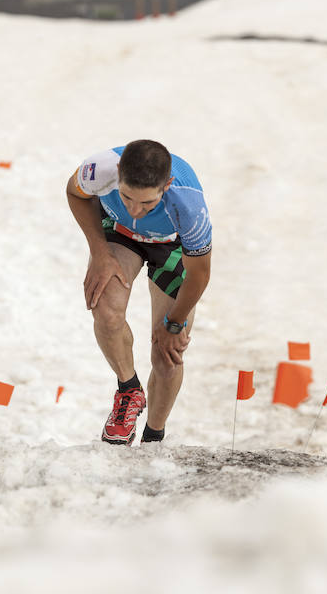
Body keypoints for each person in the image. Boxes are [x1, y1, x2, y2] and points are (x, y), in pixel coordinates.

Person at [66, 140, 212, 445]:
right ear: (118, 173)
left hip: (170, 245)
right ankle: (129, 390)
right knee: (104, 310)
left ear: (167, 185)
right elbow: (74, 193)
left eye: (148, 204)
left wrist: (175, 323)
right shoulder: (100, 168)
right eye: (127, 196)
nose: (136, 209)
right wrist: (100, 252)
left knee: (167, 357)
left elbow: (199, 273)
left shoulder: (188, 205)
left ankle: (153, 435)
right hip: (120, 234)